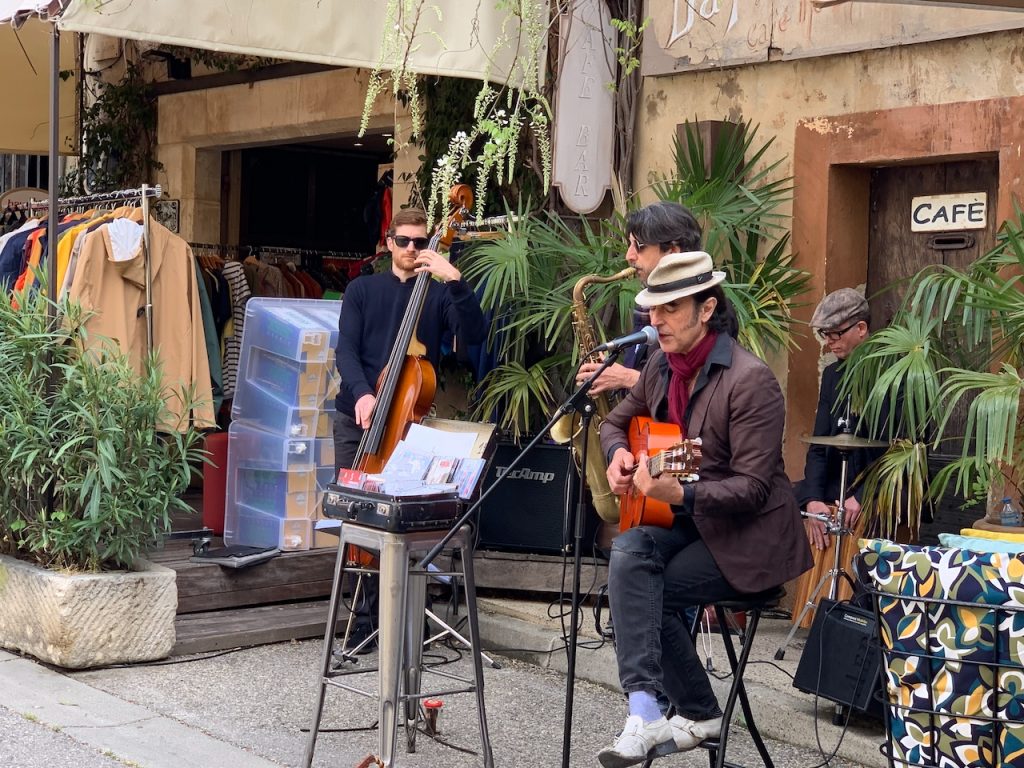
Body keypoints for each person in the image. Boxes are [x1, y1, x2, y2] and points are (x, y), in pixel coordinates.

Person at [596, 251, 812, 767]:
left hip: (748, 544)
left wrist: (682, 495)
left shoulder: (750, 380)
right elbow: (612, 424)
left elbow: (754, 489)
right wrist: (618, 454)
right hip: (691, 529)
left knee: (649, 591)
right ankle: (648, 707)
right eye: (652, 308)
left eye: (670, 308)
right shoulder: (658, 368)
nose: (656, 320)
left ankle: (693, 708)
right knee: (628, 550)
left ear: (707, 308)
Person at [333, 206, 486, 649]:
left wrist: (453, 279)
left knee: (402, 525)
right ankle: (364, 621)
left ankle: (408, 616)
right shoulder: (362, 289)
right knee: (362, 522)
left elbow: (474, 335)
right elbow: (346, 350)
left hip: (408, 430)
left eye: (421, 242)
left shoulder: (437, 295)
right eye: (404, 241)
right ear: (389, 243)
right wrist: (363, 393)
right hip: (357, 418)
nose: (412, 249)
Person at [576, 201, 703, 396]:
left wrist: (626, 378)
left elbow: (698, 393)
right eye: (629, 244)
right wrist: (609, 373)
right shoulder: (645, 304)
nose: (629, 255)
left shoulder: (699, 308)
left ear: (672, 251)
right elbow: (646, 368)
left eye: (639, 246)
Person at [795, 288, 881, 552]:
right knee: (780, 498)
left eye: (836, 333)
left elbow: (902, 450)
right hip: (837, 481)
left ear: (862, 328)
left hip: (878, 486)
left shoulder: (891, 371)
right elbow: (818, 445)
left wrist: (864, 496)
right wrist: (813, 499)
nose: (829, 341)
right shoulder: (832, 375)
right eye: (825, 334)